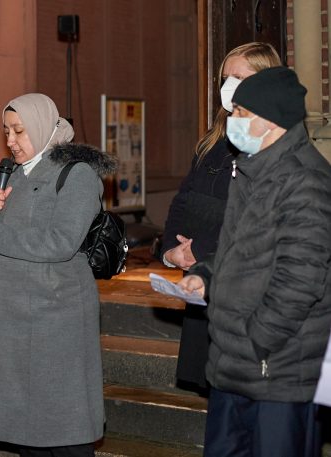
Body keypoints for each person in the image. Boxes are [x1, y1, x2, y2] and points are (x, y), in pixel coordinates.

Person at [178, 67, 331, 457]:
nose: (233, 121)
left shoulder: (306, 182)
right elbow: (237, 250)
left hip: (275, 372)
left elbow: (300, 281)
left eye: (241, 112)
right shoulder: (252, 170)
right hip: (234, 366)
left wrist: (257, 340)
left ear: (269, 120)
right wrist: (206, 277)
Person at [0, 93, 114, 457]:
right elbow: (5, 229)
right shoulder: (15, 171)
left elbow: (61, 242)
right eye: (6, 132)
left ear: (44, 127)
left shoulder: (76, 173)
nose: (11, 141)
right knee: (27, 429)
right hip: (14, 313)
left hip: (55, 314)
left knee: (64, 424)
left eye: (19, 131)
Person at [159, 42, 281, 391]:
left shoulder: (272, 144)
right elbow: (183, 202)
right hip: (204, 282)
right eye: (225, 77)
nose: (229, 85)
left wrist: (202, 251)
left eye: (239, 77)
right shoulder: (212, 143)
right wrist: (171, 251)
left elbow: (254, 216)